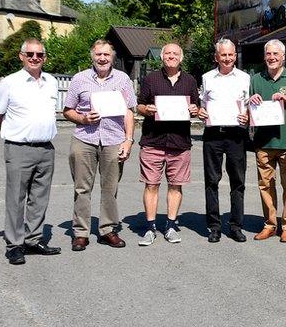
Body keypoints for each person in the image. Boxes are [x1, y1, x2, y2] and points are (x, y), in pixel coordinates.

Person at [62, 39, 136, 251]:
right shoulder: (79, 79)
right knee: (82, 187)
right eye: (98, 55)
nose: (102, 58)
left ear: (112, 57)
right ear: (92, 56)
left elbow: (129, 111)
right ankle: (81, 232)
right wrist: (84, 119)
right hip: (84, 139)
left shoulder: (123, 80)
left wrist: (129, 140)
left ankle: (107, 230)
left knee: (110, 188)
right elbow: (67, 110)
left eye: (106, 55)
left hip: (114, 140)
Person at [0, 38, 60, 264]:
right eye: (29, 54)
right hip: (19, 148)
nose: (34, 58)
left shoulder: (51, 81)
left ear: (45, 57)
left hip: (46, 148)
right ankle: (14, 244)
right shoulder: (10, 83)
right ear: (21, 56)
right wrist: (12, 132)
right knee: (16, 198)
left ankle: (33, 240)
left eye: (39, 54)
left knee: (40, 198)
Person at [135, 43, 200, 245]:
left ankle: (171, 225)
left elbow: (196, 107)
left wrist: (194, 110)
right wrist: (147, 110)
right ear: (162, 57)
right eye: (168, 53)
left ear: (181, 58)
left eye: (175, 54)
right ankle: (150, 227)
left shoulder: (189, 80)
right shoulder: (151, 79)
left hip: (179, 143)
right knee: (151, 184)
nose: (171, 56)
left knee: (175, 185)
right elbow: (139, 105)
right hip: (153, 141)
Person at [249, 39, 286, 242]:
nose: (272, 58)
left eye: (275, 54)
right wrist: (250, 102)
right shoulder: (256, 80)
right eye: (268, 54)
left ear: (283, 57)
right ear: (265, 57)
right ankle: (270, 224)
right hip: (263, 142)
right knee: (265, 185)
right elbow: (248, 110)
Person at [197, 39, 250, 243]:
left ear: (235, 56)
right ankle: (214, 226)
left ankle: (236, 226)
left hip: (236, 135)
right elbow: (203, 105)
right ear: (216, 57)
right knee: (212, 181)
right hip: (213, 135)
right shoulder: (207, 78)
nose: (227, 58)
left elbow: (250, 106)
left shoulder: (245, 78)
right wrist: (201, 112)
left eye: (230, 55)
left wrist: (248, 116)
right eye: (223, 55)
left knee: (238, 182)